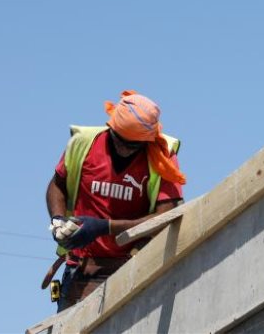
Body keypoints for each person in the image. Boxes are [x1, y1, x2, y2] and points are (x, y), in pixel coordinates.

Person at [44, 90, 186, 310]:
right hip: (80, 270)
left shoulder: (162, 157)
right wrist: (58, 219)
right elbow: (57, 185)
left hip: (131, 268)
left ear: (146, 141)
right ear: (110, 127)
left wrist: (104, 227)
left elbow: (164, 218)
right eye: (118, 140)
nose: (123, 148)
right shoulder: (84, 144)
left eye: (132, 146)